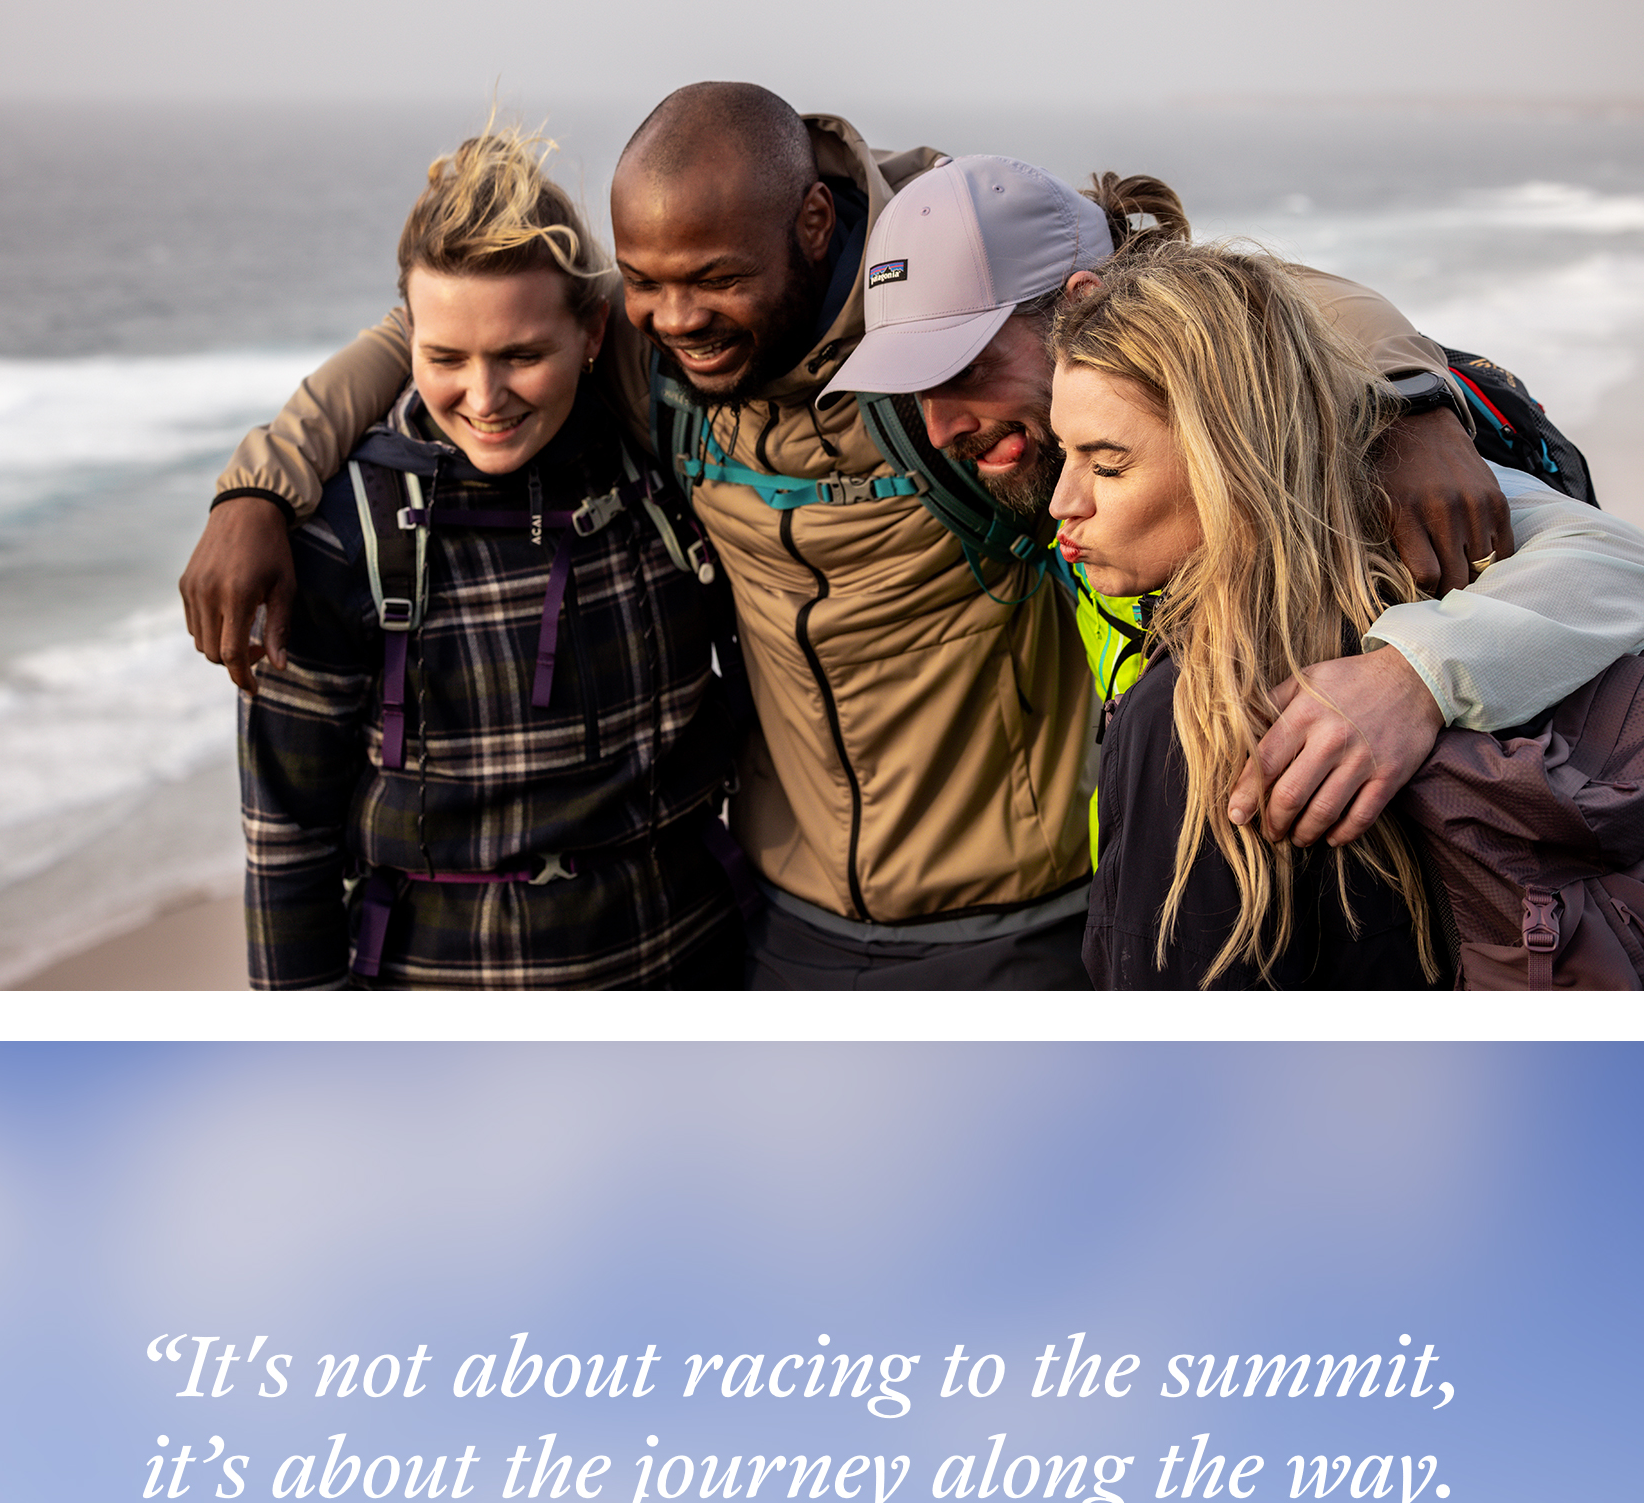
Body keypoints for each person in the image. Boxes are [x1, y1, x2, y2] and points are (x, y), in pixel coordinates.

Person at [181, 83, 1509, 988]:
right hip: (792, 927)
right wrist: (258, 485)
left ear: (811, 226)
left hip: (1030, 926)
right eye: (648, 287)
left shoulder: (946, 291)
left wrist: (1406, 400)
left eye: (713, 280)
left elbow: (1235, 305)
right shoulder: (650, 354)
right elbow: (465, 328)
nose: (678, 313)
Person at [829, 156, 1637, 861]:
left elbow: (1615, 566)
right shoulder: (1061, 447)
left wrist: (1412, 678)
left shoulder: (1322, 432)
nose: (938, 429)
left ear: (1082, 302)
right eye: (917, 391)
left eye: (964, 368)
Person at [1048, 240, 1644, 987]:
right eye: (1062, 453)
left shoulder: (1191, 715)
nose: (1061, 503)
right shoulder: (1458, 596)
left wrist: (1415, 678)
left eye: (1106, 464)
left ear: (1231, 459)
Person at [242, 120, 743, 987]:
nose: (483, 398)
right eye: (445, 357)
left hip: (699, 963)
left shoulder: (661, 457)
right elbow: (286, 835)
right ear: (408, 341)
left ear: (592, 335)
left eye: (521, 355)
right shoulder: (344, 529)